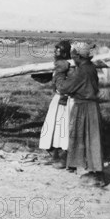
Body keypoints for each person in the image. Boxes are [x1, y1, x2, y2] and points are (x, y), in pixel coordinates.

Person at [54, 42, 105, 187]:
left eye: (72, 53)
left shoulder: (82, 71)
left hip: (85, 107)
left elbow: (63, 87)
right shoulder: (89, 67)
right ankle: (90, 169)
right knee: (85, 137)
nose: (71, 56)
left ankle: (97, 176)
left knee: (90, 139)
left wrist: (60, 72)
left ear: (76, 55)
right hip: (88, 106)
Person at [39, 41, 72, 169]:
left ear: (64, 52)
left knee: (64, 128)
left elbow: (67, 83)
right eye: (55, 50)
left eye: (58, 50)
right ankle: (54, 154)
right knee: (52, 127)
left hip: (66, 100)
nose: (55, 52)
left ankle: (65, 157)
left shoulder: (70, 65)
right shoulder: (58, 65)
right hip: (57, 100)